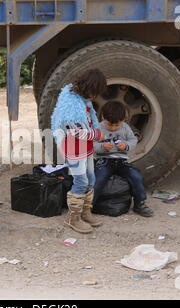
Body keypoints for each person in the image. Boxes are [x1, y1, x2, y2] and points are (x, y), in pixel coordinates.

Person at [51, 69, 107, 234]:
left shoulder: (82, 100)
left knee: (91, 178)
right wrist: (97, 134)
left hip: (85, 148)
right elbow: (75, 132)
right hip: (73, 149)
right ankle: (73, 217)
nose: (95, 97)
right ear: (87, 88)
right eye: (94, 92)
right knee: (81, 181)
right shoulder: (71, 106)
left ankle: (85, 211)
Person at [93, 101, 154, 217]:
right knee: (98, 179)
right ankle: (89, 205)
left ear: (123, 120)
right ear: (103, 117)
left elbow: (133, 141)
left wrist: (125, 145)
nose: (113, 128)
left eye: (117, 125)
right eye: (110, 125)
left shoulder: (125, 128)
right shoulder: (98, 128)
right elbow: (91, 145)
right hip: (105, 160)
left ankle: (140, 204)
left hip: (121, 161)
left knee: (136, 177)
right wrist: (101, 147)